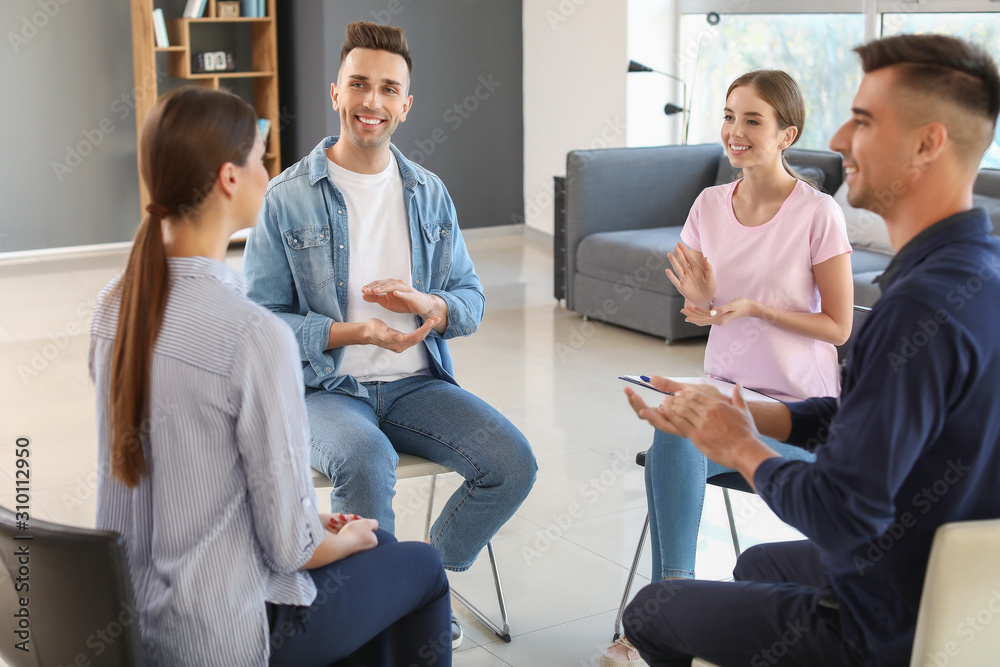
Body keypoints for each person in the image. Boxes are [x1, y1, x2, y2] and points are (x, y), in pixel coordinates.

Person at [621, 33, 1000, 666]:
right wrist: (756, 416)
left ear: (928, 143)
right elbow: (870, 417)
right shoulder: (969, 270)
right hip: (931, 563)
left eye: (864, 120)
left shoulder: (917, 308)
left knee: (650, 612)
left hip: (883, 613)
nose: (844, 140)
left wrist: (738, 446)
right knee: (757, 562)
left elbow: (841, 512)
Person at [90, 87, 451, 667]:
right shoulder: (254, 336)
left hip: (132, 624)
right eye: (260, 157)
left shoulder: (114, 307)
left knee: (373, 546)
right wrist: (340, 535)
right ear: (230, 179)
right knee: (420, 566)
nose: (269, 169)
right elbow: (291, 548)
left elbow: (199, 478)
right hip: (225, 636)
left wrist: (321, 525)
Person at [241, 21, 537, 646]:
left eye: (386, 89)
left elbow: (471, 300)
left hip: (416, 386)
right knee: (366, 459)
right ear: (335, 93)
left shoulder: (430, 194)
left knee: (512, 463)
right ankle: (382, 617)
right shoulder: (286, 197)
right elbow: (260, 325)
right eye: (358, 85)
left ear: (406, 104)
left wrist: (429, 304)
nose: (370, 102)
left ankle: (417, 581)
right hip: (324, 389)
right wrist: (357, 333)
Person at [603, 69, 854, 666]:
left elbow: (839, 327)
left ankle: (661, 618)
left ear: (786, 134)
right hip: (726, 394)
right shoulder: (710, 205)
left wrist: (759, 310)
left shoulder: (818, 214)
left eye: (752, 120)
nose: (734, 132)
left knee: (681, 432)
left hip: (798, 415)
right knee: (674, 428)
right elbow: (704, 312)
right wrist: (701, 301)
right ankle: (675, 600)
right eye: (729, 115)